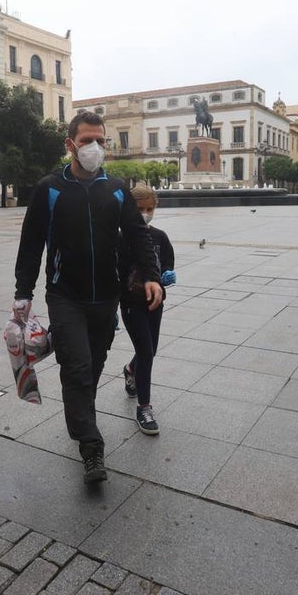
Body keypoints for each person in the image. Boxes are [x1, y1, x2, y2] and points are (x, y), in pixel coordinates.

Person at [14, 110, 162, 484]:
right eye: (86, 141)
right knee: (77, 368)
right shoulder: (49, 189)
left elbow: (137, 234)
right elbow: (31, 244)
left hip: (106, 298)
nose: (94, 148)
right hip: (64, 296)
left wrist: (151, 275)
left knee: (91, 369)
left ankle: (82, 417)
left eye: (100, 141)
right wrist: (23, 292)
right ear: (70, 145)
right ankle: (92, 447)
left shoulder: (116, 188)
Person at [119, 186, 175, 435]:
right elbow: (116, 272)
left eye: (149, 209)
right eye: (140, 209)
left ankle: (131, 369)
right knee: (146, 351)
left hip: (155, 302)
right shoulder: (120, 238)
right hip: (131, 303)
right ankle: (144, 407)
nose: (145, 213)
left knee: (150, 349)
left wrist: (168, 275)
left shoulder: (160, 237)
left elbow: (167, 262)